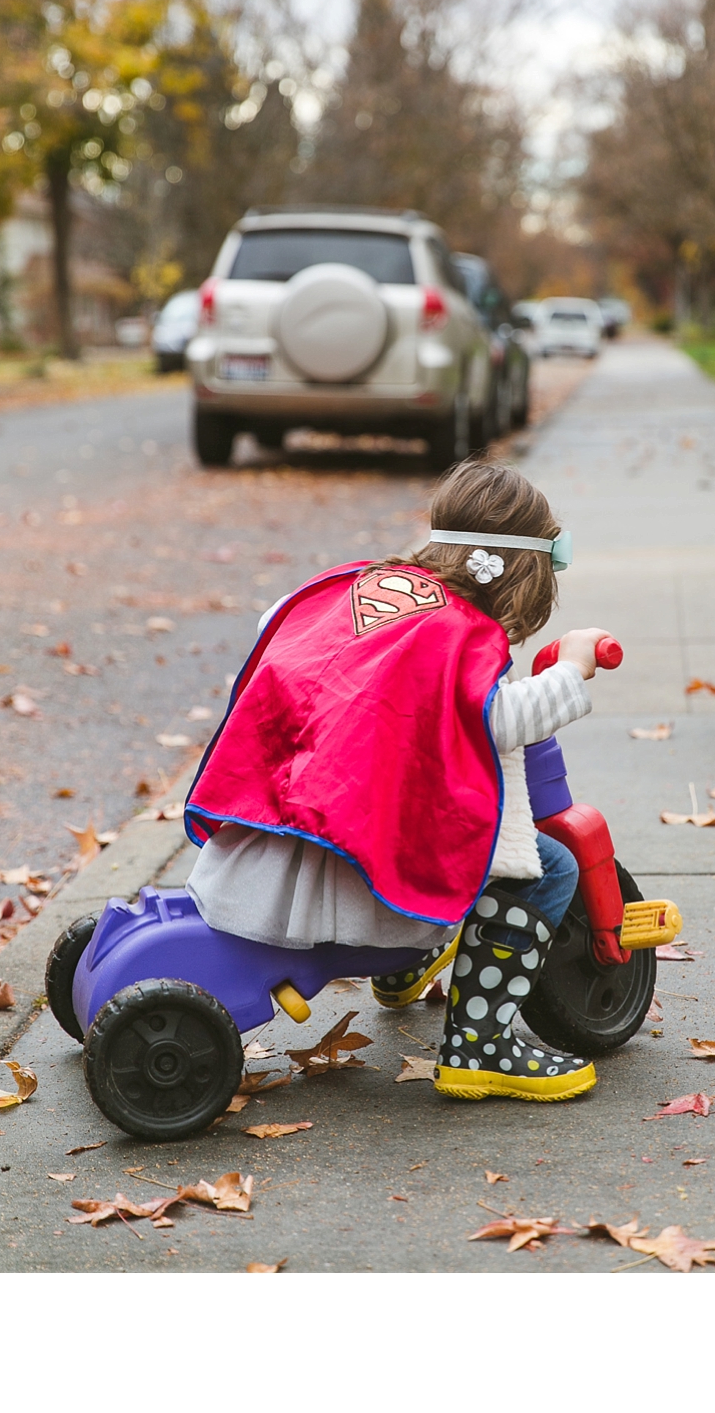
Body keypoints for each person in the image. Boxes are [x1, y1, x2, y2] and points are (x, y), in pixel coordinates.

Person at [183, 460, 612, 1102]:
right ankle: (481, 1046)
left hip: (301, 809)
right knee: (545, 868)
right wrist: (571, 672)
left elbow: (281, 623)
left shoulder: (374, 589)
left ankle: (404, 967)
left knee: (448, 807)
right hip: (360, 850)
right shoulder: (459, 633)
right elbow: (497, 719)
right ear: (522, 573)